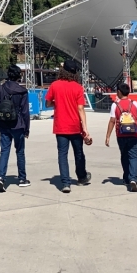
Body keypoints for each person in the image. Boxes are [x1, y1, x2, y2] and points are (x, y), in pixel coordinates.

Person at [44, 59, 92, 193]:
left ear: (63, 70)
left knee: (62, 154)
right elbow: (81, 108)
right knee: (78, 153)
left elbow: (47, 103)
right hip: (75, 126)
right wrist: (85, 128)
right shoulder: (78, 87)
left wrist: (57, 104)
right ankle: (82, 177)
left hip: (61, 126)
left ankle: (65, 183)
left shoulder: (55, 85)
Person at [105, 82, 137, 192]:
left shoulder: (115, 105)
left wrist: (108, 136)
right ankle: (133, 179)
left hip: (121, 135)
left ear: (118, 92)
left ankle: (126, 178)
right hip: (134, 135)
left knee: (124, 155)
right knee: (134, 156)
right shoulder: (135, 104)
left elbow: (112, 121)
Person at [0, 65, 31, 192]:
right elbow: (25, 112)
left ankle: (1, 176)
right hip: (18, 124)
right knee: (20, 151)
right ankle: (22, 178)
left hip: (4, 124)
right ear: (18, 76)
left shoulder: (0, 89)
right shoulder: (22, 91)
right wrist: (27, 128)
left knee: (4, 151)